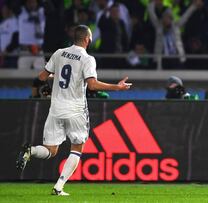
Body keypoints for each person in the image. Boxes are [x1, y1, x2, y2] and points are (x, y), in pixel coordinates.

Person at [16, 25, 132, 196]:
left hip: (55, 108)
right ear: (87, 39)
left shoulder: (59, 53)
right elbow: (92, 84)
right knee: (77, 149)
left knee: (50, 151)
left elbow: (42, 77)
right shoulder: (87, 59)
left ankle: (30, 151)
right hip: (76, 110)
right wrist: (117, 87)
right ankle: (58, 187)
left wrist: (54, 80)